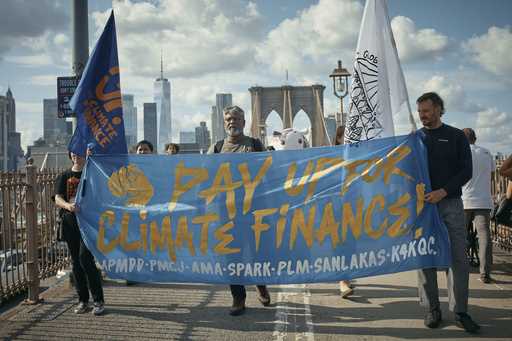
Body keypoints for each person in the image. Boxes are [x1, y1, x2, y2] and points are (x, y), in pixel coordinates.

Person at [416, 92, 479, 333]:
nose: (423, 115)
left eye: (427, 110)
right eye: (420, 111)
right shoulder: (415, 138)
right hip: (422, 207)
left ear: (439, 109)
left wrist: (443, 191)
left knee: (458, 259)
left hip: (451, 204)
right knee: (425, 258)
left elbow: (466, 171)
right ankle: (432, 309)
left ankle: (460, 311)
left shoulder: (456, 137)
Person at [208, 105, 270, 316]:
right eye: (228, 119)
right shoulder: (216, 148)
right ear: (224, 123)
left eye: (236, 119)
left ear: (244, 123)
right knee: (231, 257)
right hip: (226, 213)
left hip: (253, 211)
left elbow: (269, 174)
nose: (231, 122)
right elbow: (204, 175)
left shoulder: (254, 145)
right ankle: (238, 298)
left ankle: (260, 284)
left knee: (257, 253)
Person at [54, 151, 105, 315]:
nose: (76, 155)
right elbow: (57, 197)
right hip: (70, 222)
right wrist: (68, 206)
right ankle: (83, 300)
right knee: (76, 261)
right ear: (70, 155)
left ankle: (98, 300)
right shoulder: (64, 175)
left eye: (80, 152)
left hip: (89, 223)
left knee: (85, 258)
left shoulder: (92, 174)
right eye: (73, 152)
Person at [461, 128, 495, 283]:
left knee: (459, 234)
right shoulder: (487, 153)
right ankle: (485, 272)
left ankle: (459, 268)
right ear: (475, 138)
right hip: (484, 200)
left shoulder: (460, 153)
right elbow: (493, 177)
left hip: (465, 200)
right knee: (484, 236)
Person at [333, 125, 355, 298]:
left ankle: (345, 277)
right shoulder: (329, 157)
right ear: (339, 138)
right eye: (346, 135)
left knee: (350, 245)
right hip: (335, 209)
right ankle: (343, 280)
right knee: (341, 244)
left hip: (355, 207)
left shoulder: (359, 156)